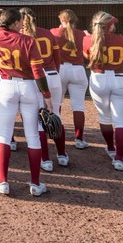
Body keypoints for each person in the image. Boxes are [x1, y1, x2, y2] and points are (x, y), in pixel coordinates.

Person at [0, 8, 51, 196]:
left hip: (6, 86)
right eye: (19, 22)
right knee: (33, 136)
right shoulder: (28, 41)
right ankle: (35, 184)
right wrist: (47, 96)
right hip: (28, 87)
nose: (22, 24)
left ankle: (3, 181)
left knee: (4, 135)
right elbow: (38, 72)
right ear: (13, 23)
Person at [19, 7, 69, 170]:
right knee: (56, 115)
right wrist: (54, 75)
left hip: (35, 78)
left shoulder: (20, 36)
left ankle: (46, 160)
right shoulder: (48, 33)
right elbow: (57, 58)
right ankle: (62, 155)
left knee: (38, 120)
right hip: (53, 75)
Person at [84, 11, 123, 170]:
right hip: (119, 78)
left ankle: (111, 148)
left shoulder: (87, 39)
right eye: (112, 23)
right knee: (121, 122)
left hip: (99, 79)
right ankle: (119, 159)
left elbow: (87, 56)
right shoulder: (122, 40)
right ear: (109, 25)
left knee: (105, 117)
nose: (115, 25)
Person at [50, 9, 89, 149]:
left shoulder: (54, 31)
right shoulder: (82, 34)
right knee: (78, 106)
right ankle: (79, 139)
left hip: (60, 70)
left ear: (62, 20)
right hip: (78, 70)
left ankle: (56, 133)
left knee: (56, 104)